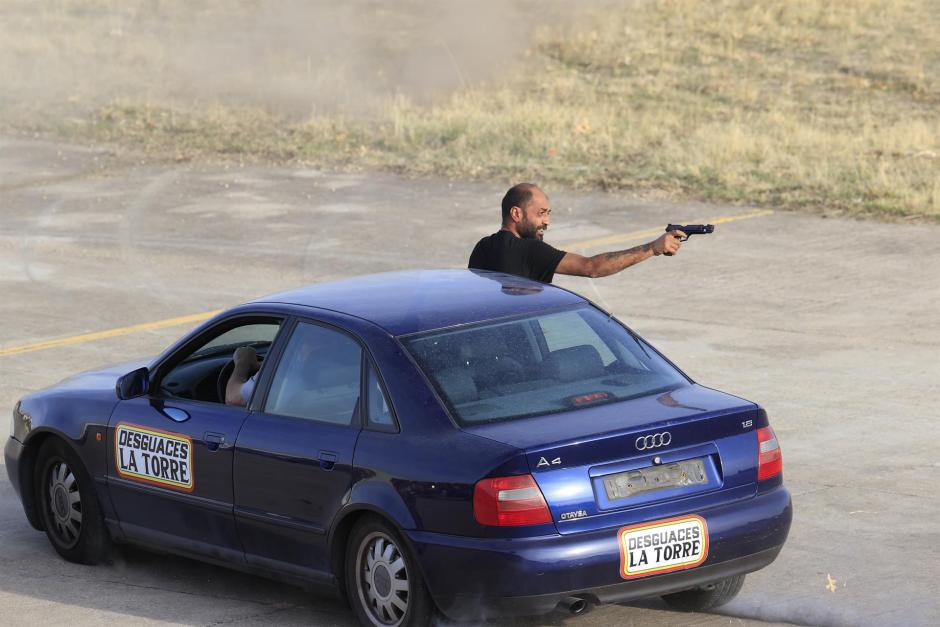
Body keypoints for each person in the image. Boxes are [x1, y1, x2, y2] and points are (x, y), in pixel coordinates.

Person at [468, 183, 686, 283]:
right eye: (541, 213)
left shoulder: (483, 247)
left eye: (549, 213)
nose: (547, 221)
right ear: (516, 213)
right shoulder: (529, 250)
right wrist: (652, 248)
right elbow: (591, 268)